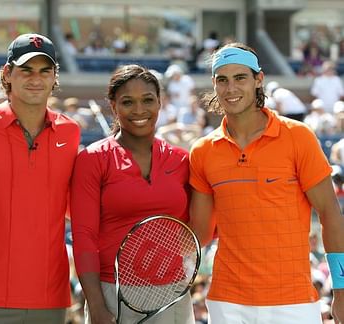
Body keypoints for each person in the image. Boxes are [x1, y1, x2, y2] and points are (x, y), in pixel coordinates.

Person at [188, 42, 344, 324]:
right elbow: (199, 234)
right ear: (214, 85)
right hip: (227, 303)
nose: (231, 88)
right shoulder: (202, 151)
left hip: (293, 301)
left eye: (240, 78)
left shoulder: (299, 137)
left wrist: (342, 291)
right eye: (222, 80)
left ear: (259, 80)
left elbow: (331, 215)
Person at [0, 33, 81, 324]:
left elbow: (80, 210)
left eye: (44, 71)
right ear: (7, 74)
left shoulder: (71, 133)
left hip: (50, 299)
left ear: (54, 77)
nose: (35, 79)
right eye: (26, 70)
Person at [70, 64, 195, 324]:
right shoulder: (92, 160)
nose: (139, 110)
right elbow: (84, 237)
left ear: (160, 102)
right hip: (110, 294)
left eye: (148, 100)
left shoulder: (182, 161)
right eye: (128, 102)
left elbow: (192, 230)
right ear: (113, 106)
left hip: (173, 295)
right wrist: (96, 306)